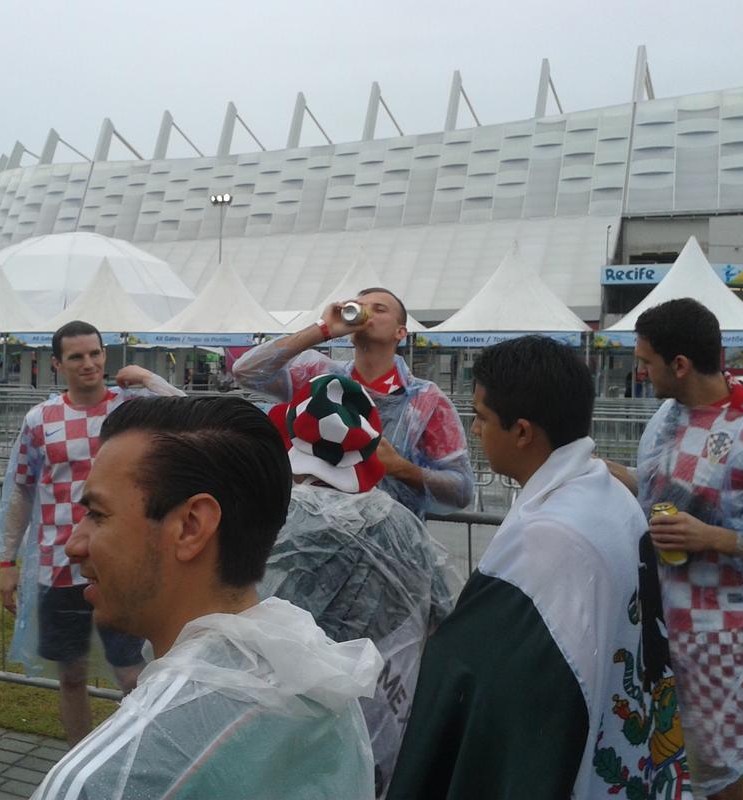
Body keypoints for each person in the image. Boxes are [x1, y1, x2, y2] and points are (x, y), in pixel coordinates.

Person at [31, 396, 382, 800]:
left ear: (191, 527)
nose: (75, 543)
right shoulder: (323, 685)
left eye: (97, 514)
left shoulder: (102, 782)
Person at [388, 336, 691, 799]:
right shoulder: (605, 492)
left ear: (523, 432)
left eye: (482, 418)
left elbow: (499, 688)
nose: (475, 431)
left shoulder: (550, 535)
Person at [608, 298, 743, 800]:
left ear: (680, 364)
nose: (641, 371)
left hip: (722, 641)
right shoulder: (667, 418)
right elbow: (663, 500)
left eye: (646, 361)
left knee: (717, 779)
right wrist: (614, 478)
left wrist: (713, 539)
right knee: (662, 770)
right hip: (654, 629)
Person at [258, 373, 455, 798]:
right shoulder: (401, 522)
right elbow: (441, 614)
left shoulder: (280, 523)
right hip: (386, 729)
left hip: (299, 737)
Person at [0, 320, 184, 745]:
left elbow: (198, 420)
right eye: (77, 356)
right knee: (71, 676)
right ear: (57, 364)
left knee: (135, 677)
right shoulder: (40, 420)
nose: (90, 364)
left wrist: (151, 380)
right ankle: (79, 763)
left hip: (122, 563)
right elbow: (21, 493)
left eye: (96, 354)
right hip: (59, 568)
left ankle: (145, 759)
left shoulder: (130, 411)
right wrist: (8, 561)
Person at [233, 287, 473, 518]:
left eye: (379, 309)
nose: (366, 314)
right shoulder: (320, 379)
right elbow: (246, 372)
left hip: (386, 543)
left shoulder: (426, 400)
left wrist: (400, 468)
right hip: (311, 534)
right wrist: (322, 329)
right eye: (358, 307)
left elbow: (461, 489)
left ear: (400, 332)